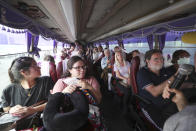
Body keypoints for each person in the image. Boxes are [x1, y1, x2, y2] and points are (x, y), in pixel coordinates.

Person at [0, 57, 54, 129]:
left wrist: (33, 110)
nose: (39, 67)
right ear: (24, 72)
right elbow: (6, 108)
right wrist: (11, 110)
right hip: (19, 126)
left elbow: (53, 101)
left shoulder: (46, 81)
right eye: (35, 65)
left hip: (42, 123)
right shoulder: (8, 90)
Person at [137, 49, 177, 129]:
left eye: (162, 58)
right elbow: (154, 92)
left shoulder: (163, 70)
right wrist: (175, 76)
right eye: (156, 59)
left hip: (169, 101)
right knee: (166, 128)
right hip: (152, 107)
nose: (160, 61)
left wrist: (193, 85)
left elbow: (176, 84)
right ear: (147, 61)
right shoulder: (142, 73)